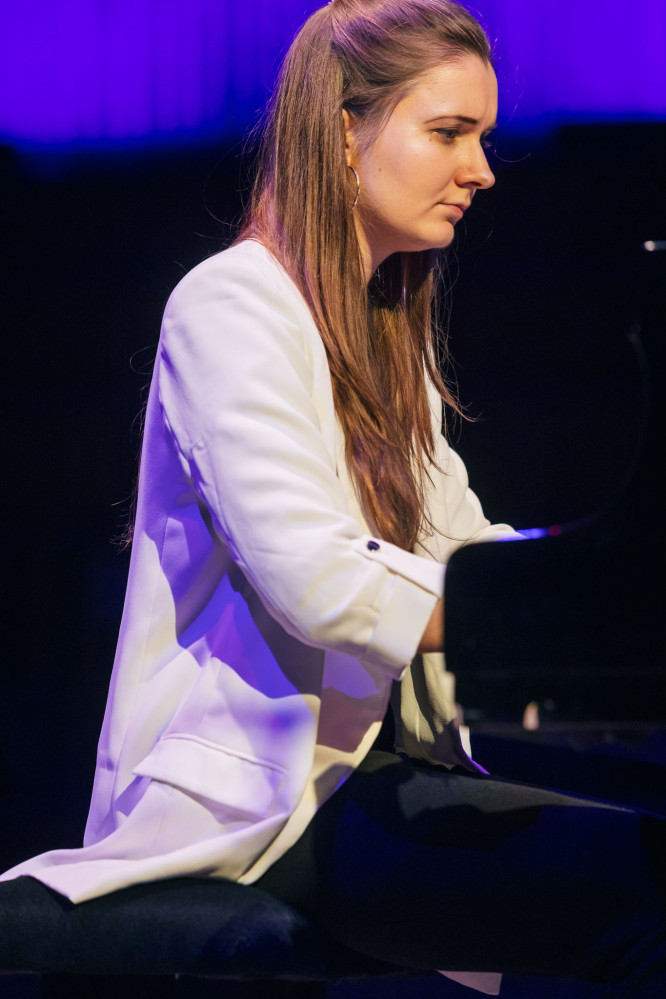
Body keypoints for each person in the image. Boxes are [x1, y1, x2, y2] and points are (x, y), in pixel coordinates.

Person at [1, 1, 665, 995]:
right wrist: (531, 615)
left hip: (381, 775)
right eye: (450, 132)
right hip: (271, 804)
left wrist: (585, 602)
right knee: (638, 889)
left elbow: (460, 543)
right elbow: (312, 576)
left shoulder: (384, 324)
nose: (482, 169)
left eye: (482, 137)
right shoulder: (229, 304)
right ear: (344, 137)